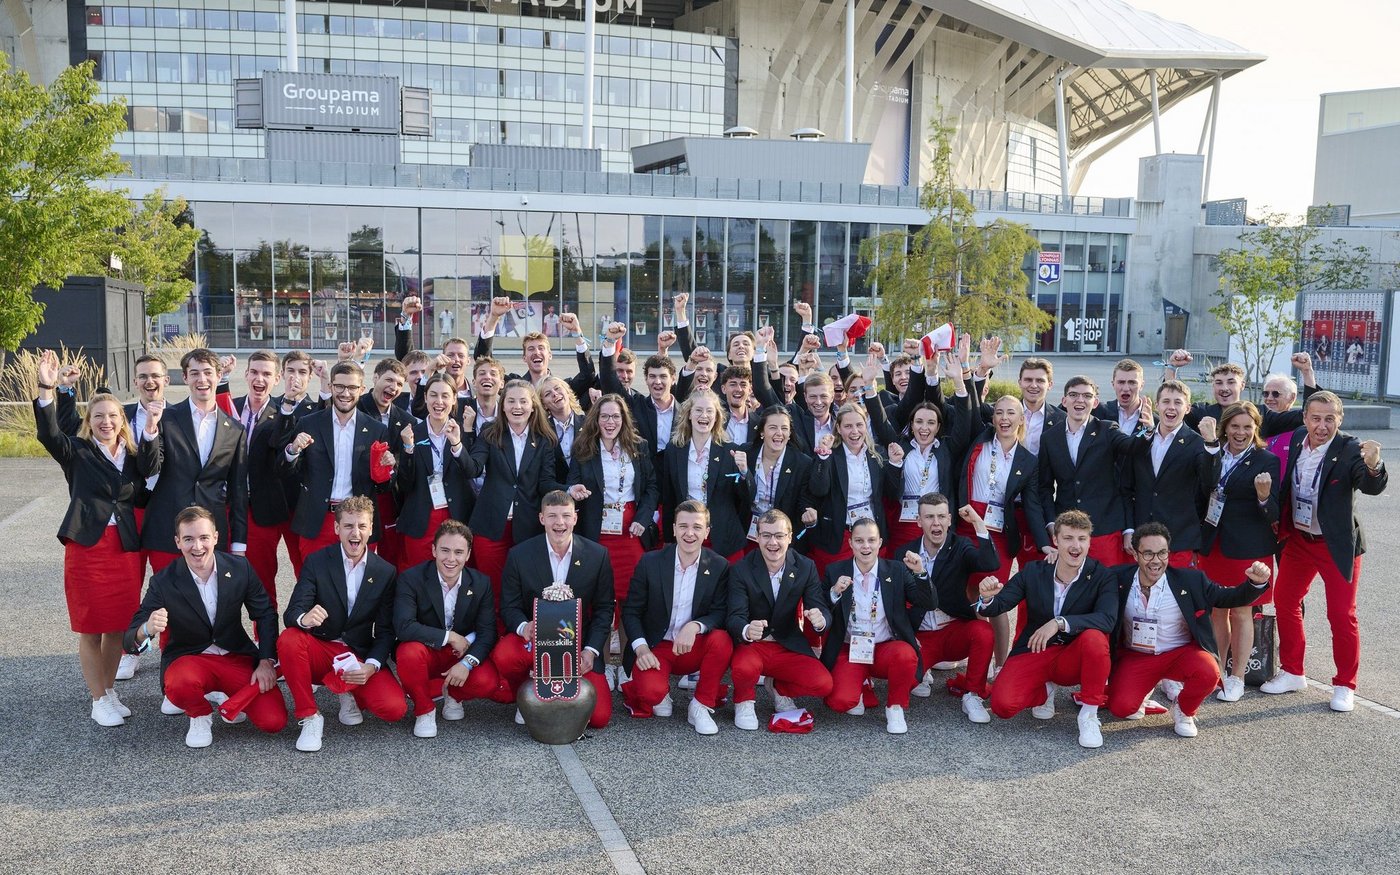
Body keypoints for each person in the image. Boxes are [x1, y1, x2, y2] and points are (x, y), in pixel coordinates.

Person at [35, 350, 163, 726]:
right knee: (91, 629)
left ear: (122, 420)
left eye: (112, 416)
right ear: (89, 422)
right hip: (88, 548)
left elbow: (150, 472)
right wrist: (47, 387)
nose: (106, 422)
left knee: (118, 628)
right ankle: (97, 699)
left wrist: (152, 427)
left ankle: (108, 691)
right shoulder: (76, 451)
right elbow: (48, 433)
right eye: (98, 417)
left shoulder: (134, 455)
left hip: (123, 549)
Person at [1263, 391, 1387, 712]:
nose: (1322, 426)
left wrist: (1374, 465)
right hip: (1299, 540)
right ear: (1304, 418)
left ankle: (1345, 684)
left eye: (1330, 419)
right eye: (1316, 418)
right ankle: (1293, 671)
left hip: (1336, 544)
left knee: (1341, 615)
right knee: (1285, 601)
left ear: (1340, 420)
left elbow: (1371, 484)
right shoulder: (1297, 440)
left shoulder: (1350, 449)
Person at [123, 507, 287, 748]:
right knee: (179, 685)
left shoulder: (240, 568)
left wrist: (266, 661)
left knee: (274, 721)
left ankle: (229, 695)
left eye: (204, 538)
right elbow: (130, 639)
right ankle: (200, 715)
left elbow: (265, 614)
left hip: (235, 656)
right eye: (188, 539)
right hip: (191, 659)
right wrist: (146, 629)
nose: (197, 546)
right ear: (178, 542)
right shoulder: (163, 581)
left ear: (216, 537)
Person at [1106, 523, 1272, 737]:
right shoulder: (1117, 578)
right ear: (1135, 555)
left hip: (1180, 653)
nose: (1156, 560)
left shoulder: (1190, 580)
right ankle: (1144, 688)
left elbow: (1227, 598)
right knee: (1121, 708)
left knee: (1208, 672)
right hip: (1136, 656)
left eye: (1162, 553)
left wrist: (1255, 584)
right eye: (1148, 553)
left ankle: (1184, 710)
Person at [976, 510, 1117, 749]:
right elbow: (1001, 604)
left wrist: (1058, 622)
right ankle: (1044, 689)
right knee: (1002, 706)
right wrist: (987, 597)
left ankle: (1089, 715)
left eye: (1082, 539)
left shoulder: (1102, 575)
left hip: (1074, 654)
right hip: (1036, 648)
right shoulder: (1034, 571)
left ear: (1089, 541)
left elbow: (1107, 619)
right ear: (1055, 540)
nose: (1076, 546)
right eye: (1068, 538)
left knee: (1095, 638)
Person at [278, 496, 407, 752]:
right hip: (321, 648)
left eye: (362, 526)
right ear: (337, 528)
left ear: (371, 529)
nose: (355, 533)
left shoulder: (385, 572)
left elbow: (385, 631)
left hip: (357, 654)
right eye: (348, 526)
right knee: (289, 639)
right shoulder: (316, 561)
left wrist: (371, 666)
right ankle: (310, 716)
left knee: (394, 708)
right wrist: (304, 618)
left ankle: (347, 689)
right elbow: (292, 612)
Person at [491, 491, 616, 729]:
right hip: (534, 642)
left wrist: (590, 651)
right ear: (542, 518)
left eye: (566, 516)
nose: (560, 523)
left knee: (599, 718)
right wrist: (523, 626)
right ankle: (525, 694)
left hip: (577, 645)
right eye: (552, 516)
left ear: (575, 518)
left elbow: (604, 609)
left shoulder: (597, 555)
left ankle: (559, 692)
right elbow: (508, 605)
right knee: (505, 655)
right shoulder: (519, 554)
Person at [619, 501, 734, 734]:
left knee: (722, 640)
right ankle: (661, 691)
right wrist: (641, 649)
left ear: (707, 532)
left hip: (693, 645)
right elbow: (631, 610)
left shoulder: (719, 566)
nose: (689, 533)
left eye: (697, 527)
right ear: (673, 529)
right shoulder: (650, 562)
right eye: (683, 526)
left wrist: (696, 626)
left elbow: (721, 612)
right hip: (656, 647)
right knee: (651, 694)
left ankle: (700, 705)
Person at [1196, 402, 1280, 702]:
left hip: (1247, 547)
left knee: (1242, 610)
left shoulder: (1267, 460)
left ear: (1255, 428)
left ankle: (1237, 677)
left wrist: (1263, 496)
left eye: (1247, 427)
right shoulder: (1212, 453)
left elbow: (1274, 513)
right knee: (1217, 609)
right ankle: (1216, 670)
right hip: (1214, 543)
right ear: (1225, 428)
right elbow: (1202, 490)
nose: (1240, 432)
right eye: (1235, 426)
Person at [819, 519, 933, 734]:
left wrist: (920, 572)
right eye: (859, 540)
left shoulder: (896, 570)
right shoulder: (835, 571)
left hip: (884, 647)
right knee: (840, 701)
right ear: (850, 543)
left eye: (871, 540)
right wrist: (834, 592)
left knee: (906, 655)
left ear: (880, 542)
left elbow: (928, 602)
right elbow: (821, 607)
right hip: (850, 649)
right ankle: (861, 684)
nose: (866, 546)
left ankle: (895, 707)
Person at [956, 394, 1045, 668]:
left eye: (1011, 413)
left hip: (999, 534)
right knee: (969, 592)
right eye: (999, 412)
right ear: (992, 418)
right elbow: (968, 403)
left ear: (1021, 419)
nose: (1004, 418)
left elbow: (1032, 505)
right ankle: (978, 659)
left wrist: (1044, 542)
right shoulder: (979, 441)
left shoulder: (1028, 460)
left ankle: (1001, 663)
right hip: (968, 525)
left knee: (994, 595)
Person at [141, 348, 249, 572]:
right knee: (166, 593)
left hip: (209, 536)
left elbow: (238, 491)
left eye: (208, 372)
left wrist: (239, 544)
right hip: (167, 531)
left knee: (207, 594)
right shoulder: (165, 419)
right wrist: (150, 429)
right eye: (195, 373)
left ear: (219, 376)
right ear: (185, 377)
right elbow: (148, 468)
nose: (202, 380)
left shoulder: (235, 429)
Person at [727, 510, 834, 730]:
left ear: (790, 537)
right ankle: (744, 701)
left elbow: (819, 606)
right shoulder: (741, 568)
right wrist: (747, 629)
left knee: (823, 684)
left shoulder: (806, 566)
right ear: (757, 537)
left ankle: (778, 687)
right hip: (754, 645)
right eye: (766, 535)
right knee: (744, 668)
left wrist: (820, 620)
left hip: (787, 644)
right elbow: (734, 616)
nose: (773, 542)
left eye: (779, 535)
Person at [394, 519, 500, 739]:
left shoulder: (481, 583)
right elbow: (404, 626)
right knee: (408, 653)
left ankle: (453, 694)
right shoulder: (411, 579)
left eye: (458, 552)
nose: (451, 559)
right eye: (445, 550)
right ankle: (424, 709)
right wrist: (450, 636)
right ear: (434, 550)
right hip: (427, 650)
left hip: (461, 653)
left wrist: (467, 663)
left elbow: (488, 631)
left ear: (468, 555)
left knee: (487, 681)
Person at [462, 380, 567, 602]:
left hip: (527, 527)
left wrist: (569, 491)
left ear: (533, 406)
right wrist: (456, 445)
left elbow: (546, 483)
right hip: (491, 526)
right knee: (492, 590)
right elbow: (473, 468)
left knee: (525, 589)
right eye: (511, 401)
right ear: (502, 406)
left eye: (523, 401)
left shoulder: (545, 439)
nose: (517, 407)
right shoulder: (490, 432)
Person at [898, 494, 1000, 720]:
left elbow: (990, 563)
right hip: (921, 636)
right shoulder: (904, 553)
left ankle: (972, 695)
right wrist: (906, 636)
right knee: (904, 683)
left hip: (954, 632)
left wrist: (978, 522)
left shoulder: (960, 545)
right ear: (918, 521)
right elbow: (895, 603)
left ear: (950, 519)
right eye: (929, 517)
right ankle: (922, 671)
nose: (936, 523)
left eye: (941, 516)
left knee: (983, 632)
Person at [282, 360, 392, 557]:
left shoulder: (377, 430)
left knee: (357, 577)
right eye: (339, 386)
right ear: (331, 386)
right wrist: (292, 450)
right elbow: (287, 473)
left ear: (362, 389)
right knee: (315, 576)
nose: (345, 393)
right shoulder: (309, 423)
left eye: (352, 387)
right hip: (318, 520)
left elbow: (382, 486)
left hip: (358, 521)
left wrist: (387, 469)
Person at [1037, 376, 1148, 566]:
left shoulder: (1107, 429)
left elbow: (1131, 445)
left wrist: (1148, 430)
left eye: (1087, 396)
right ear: (1064, 401)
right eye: (1074, 395)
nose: (1080, 400)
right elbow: (1044, 487)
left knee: (1107, 582)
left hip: (1104, 529)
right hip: (1067, 531)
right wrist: (1051, 523)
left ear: (1095, 402)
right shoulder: (1049, 438)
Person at [567, 395, 658, 624]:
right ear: (596, 419)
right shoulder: (583, 447)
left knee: (633, 591)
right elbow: (573, 482)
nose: (610, 422)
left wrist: (643, 518)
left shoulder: (638, 446)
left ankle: (630, 641)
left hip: (630, 529)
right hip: (595, 531)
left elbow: (651, 487)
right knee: (601, 592)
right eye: (605, 416)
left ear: (623, 419)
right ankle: (605, 642)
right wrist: (574, 491)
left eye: (616, 416)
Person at [242, 351, 321, 601]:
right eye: (291, 371)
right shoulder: (271, 406)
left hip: (300, 505)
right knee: (262, 574)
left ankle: (306, 618)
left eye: (302, 372)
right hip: (266, 503)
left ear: (310, 377)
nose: (295, 377)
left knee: (305, 570)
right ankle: (266, 625)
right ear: (282, 375)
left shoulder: (317, 409)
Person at [806, 402, 900, 577]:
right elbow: (818, 489)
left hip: (871, 534)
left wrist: (895, 464)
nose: (855, 431)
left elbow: (891, 494)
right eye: (848, 426)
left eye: (859, 425)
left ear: (866, 426)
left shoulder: (877, 454)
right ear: (839, 429)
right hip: (840, 535)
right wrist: (823, 456)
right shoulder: (830, 454)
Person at [659, 389, 753, 563]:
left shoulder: (730, 451)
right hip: (688, 537)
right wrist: (668, 539)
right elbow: (669, 497)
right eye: (698, 410)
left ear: (717, 417)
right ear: (689, 414)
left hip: (724, 540)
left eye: (710, 411)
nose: (704, 415)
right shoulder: (674, 450)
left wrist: (744, 472)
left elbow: (746, 497)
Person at [394, 376, 473, 570]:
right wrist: (408, 449)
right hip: (421, 516)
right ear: (425, 398)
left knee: (451, 572)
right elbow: (404, 484)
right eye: (433, 395)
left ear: (454, 399)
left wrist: (457, 443)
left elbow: (471, 471)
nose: (439, 402)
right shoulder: (411, 432)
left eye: (445, 396)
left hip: (455, 515)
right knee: (418, 574)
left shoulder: (463, 431)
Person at [1125, 380, 1206, 566]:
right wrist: (1129, 529)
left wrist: (1212, 445)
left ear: (1187, 408)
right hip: (1141, 540)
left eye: (1178, 402)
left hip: (1178, 542)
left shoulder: (1198, 444)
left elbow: (1208, 484)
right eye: (1166, 401)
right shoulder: (1141, 440)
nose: (1171, 407)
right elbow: (1127, 488)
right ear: (1157, 405)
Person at [744, 406, 817, 551]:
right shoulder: (746, 454)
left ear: (789, 434)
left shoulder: (802, 463)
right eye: (773, 428)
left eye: (784, 428)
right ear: (762, 431)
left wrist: (809, 516)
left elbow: (803, 503)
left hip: (781, 538)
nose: (779, 433)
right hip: (748, 533)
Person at [539, 375, 587, 468]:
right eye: (547, 394)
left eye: (557, 388)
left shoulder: (588, 424)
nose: (554, 394)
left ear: (567, 391)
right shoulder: (542, 432)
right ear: (544, 405)